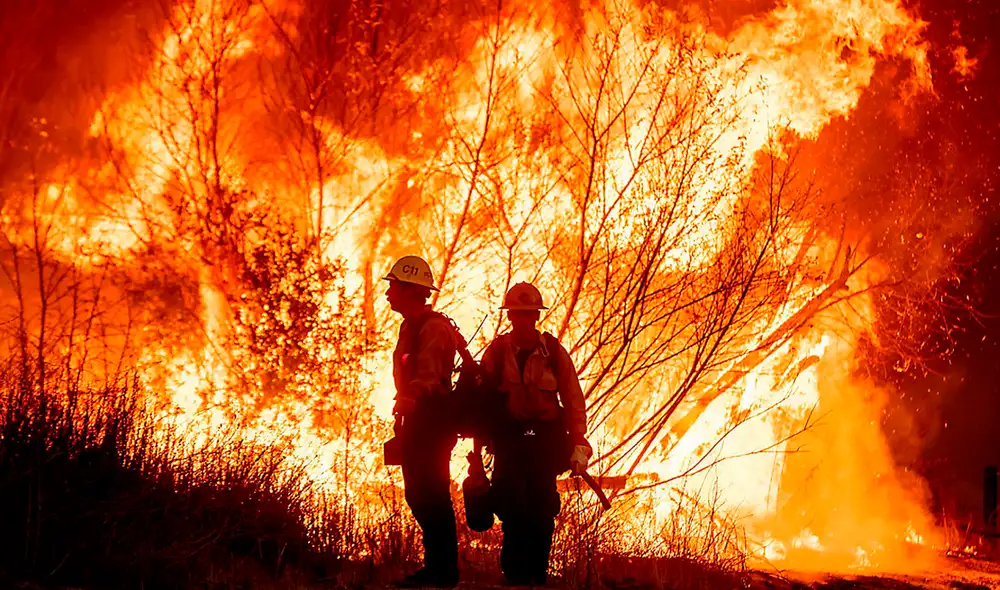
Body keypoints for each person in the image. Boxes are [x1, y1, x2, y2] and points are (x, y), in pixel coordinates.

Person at [480, 282, 592, 586]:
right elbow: (481, 399)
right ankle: (514, 575)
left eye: (528, 313)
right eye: (517, 313)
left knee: (542, 509)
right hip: (509, 441)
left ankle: (536, 574)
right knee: (511, 505)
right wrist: (479, 443)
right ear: (510, 316)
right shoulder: (497, 352)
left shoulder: (554, 352)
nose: (522, 319)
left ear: (536, 316)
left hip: (544, 443)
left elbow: (573, 399)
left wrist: (578, 441)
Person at [384, 255, 460, 589]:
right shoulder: (409, 326)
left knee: (432, 493)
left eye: (394, 286)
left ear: (412, 291)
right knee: (418, 494)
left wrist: (411, 396)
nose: (388, 293)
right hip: (416, 421)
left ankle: (443, 572)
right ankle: (437, 568)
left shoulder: (434, 328)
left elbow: (429, 375)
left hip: (434, 421)